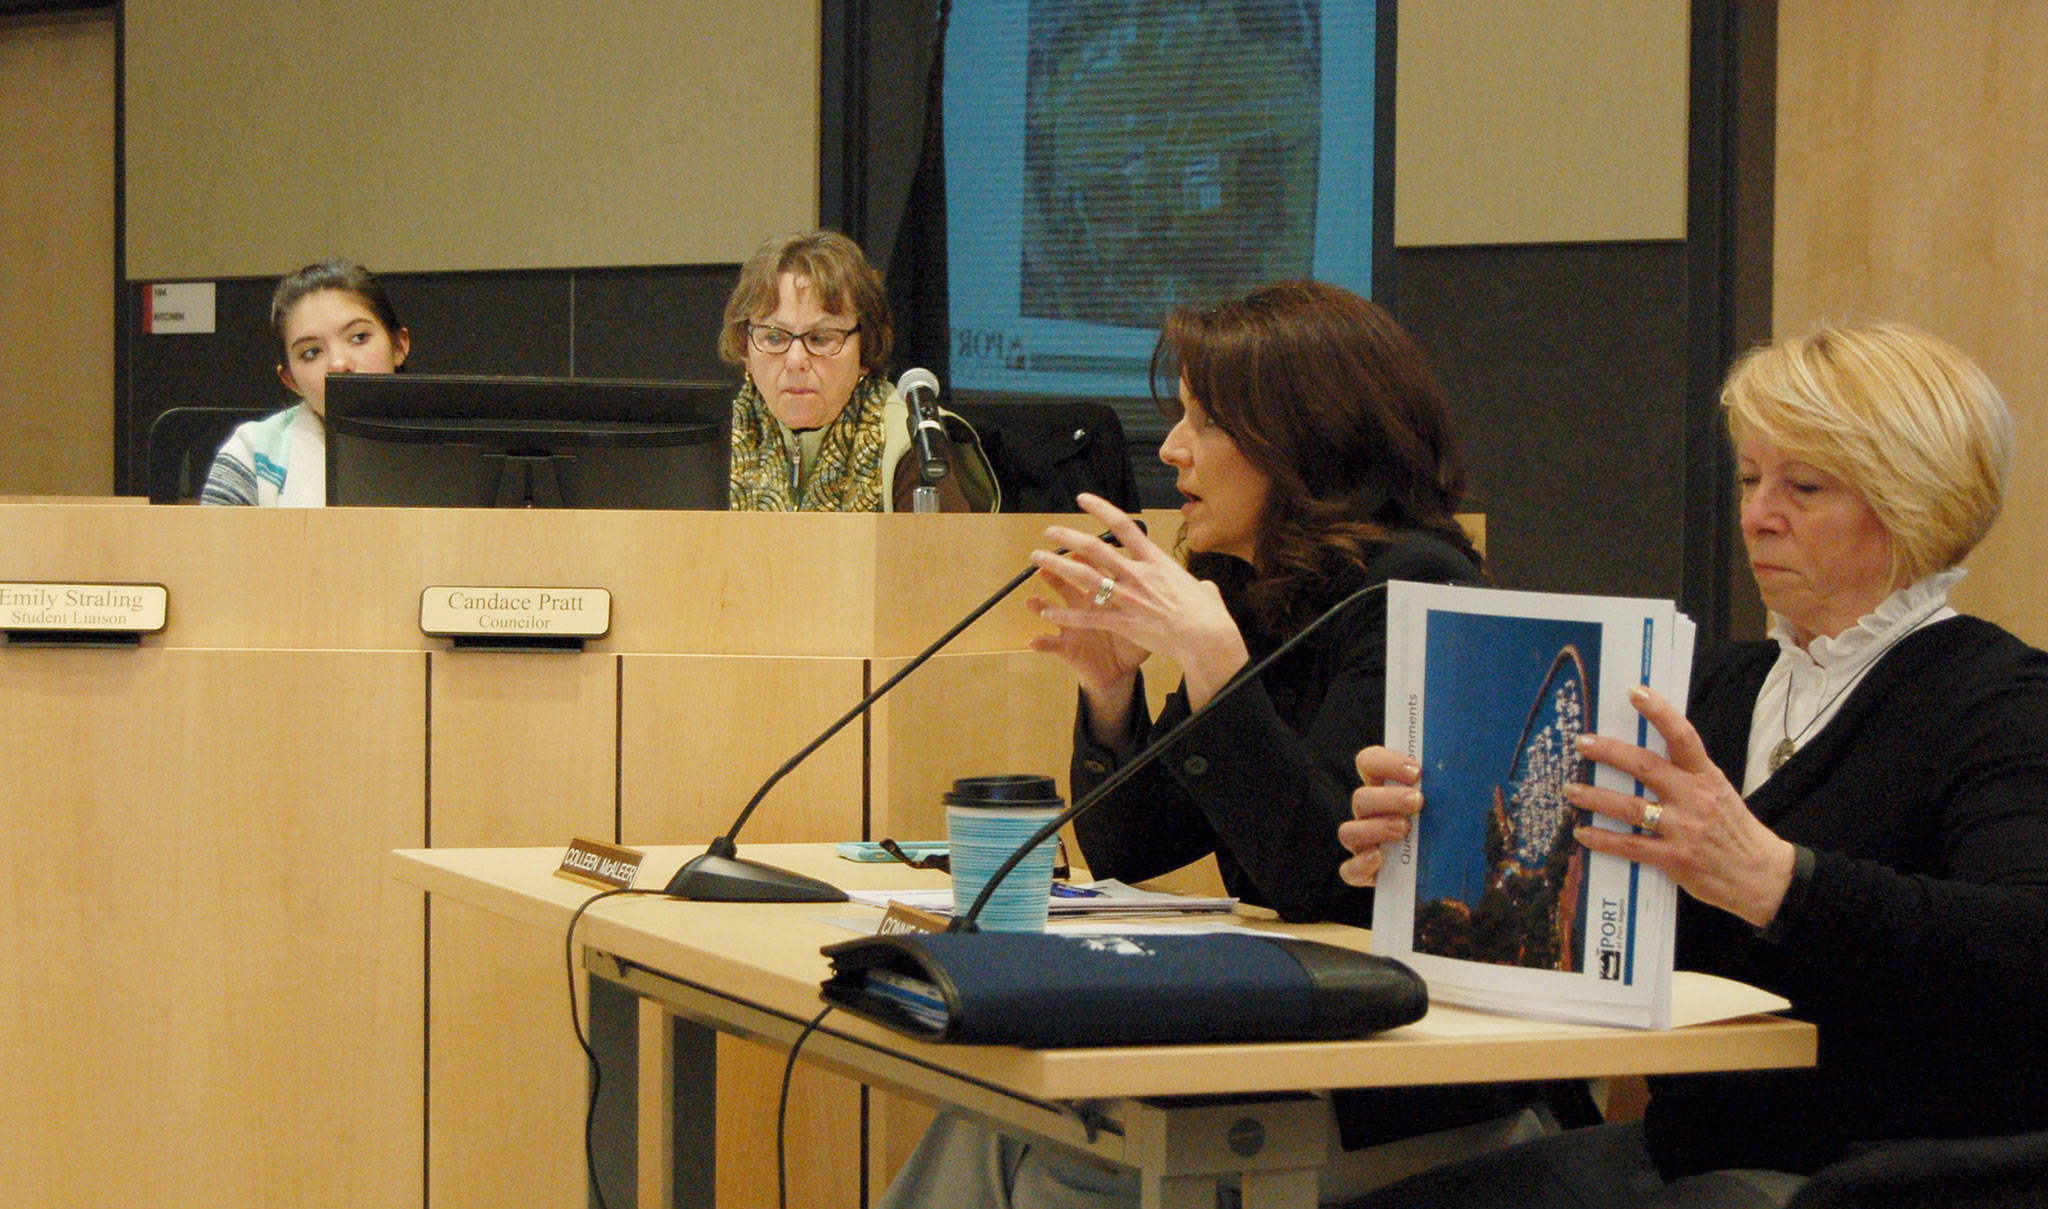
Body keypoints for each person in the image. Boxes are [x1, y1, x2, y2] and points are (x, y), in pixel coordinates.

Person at [880, 280, 1563, 1209]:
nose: (1168, 450)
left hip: (1410, 1087)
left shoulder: (1421, 591)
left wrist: (1214, 660)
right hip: (1297, 1046)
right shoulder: (1260, 587)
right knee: (995, 1119)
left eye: (1202, 421)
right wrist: (1112, 690)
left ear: (1301, 438)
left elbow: (1318, 878)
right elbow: (1138, 844)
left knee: (1036, 1168)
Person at [1338, 320, 2048, 1208]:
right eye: (1751, 478)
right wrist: (1421, 858)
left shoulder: (1999, 699)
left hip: (1878, 1170)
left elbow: (2025, 953)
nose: (1757, 513)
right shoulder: (1707, 688)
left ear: (1916, 499)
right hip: (1690, 1145)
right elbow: (1592, 923)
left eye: (1805, 485)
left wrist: (1784, 882)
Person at [719, 229, 996, 512]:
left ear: (865, 349)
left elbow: (944, 555)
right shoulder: (713, 439)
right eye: (775, 337)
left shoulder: (911, 439)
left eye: (821, 337)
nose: (795, 360)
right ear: (745, 349)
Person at [200, 259, 410, 506]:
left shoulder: (460, 444)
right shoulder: (251, 456)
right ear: (290, 380)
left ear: (398, 346)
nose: (339, 363)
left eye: (359, 337)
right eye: (311, 352)